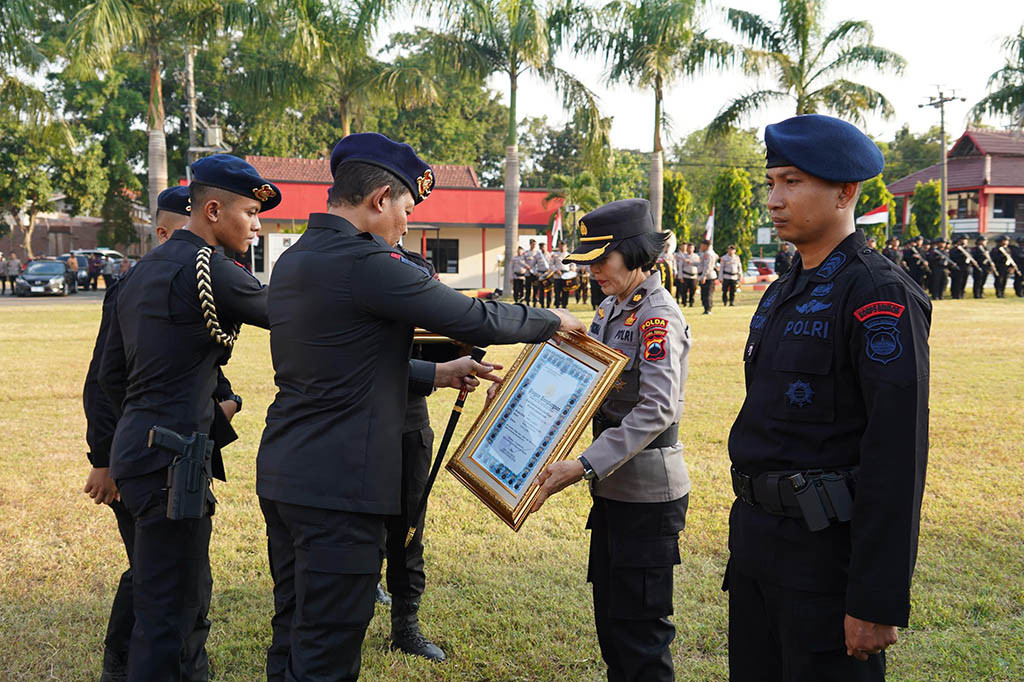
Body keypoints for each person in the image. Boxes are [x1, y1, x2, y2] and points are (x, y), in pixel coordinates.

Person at [255, 132, 584, 682]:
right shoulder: (369, 263)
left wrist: (437, 372)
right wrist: (555, 321)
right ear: (380, 199)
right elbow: (472, 318)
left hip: (287, 474)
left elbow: (342, 362)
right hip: (341, 489)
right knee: (328, 648)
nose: (407, 224)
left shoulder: (295, 260)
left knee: (291, 627)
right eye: (406, 209)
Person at [727, 114, 930, 682]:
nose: (774, 199)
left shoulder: (879, 295)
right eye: (772, 183)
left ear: (845, 192)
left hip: (826, 565)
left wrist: (875, 599)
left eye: (792, 182)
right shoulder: (782, 292)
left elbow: (897, 456)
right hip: (759, 549)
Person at [98, 156, 280, 682]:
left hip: (136, 456)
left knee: (163, 599)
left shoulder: (136, 275)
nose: (257, 224)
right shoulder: (211, 270)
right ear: (215, 210)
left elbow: (110, 377)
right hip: (174, 464)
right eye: (250, 212)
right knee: (172, 618)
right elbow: (295, 319)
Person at [83, 186, 242, 682]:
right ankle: (140, 665)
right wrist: (102, 458)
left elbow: (206, 375)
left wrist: (222, 406)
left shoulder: (174, 285)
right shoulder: (158, 279)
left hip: (155, 454)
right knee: (165, 592)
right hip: (157, 461)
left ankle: (158, 666)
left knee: (166, 580)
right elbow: (102, 383)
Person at [532, 198, 691, 682]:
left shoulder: (657, 317)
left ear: (635, 252)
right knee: (612, 624)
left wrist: (581, 465)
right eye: (589, 261)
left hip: (645, 493)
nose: (594, 270)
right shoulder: (610, 307)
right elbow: (586, 382)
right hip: (613, 491)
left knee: (640, 633)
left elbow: (658, 408)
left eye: (602, 260)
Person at [948, 235, 975, 300]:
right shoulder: (955, 249)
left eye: (965, 240)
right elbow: (952, 256)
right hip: (958, 267)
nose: (964, 241)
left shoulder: (968, 249)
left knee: (964, 281)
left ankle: (962, 294)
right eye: (962, 239)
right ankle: (956, 295)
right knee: (957, 282)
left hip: (966, 267)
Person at [697, 238, 718, 314]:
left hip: (708, 277)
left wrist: (704, 276)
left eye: (702, 245)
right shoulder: (706, 253)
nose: (701, 247)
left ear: (706, 246)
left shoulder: (708, 254)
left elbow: (708, 266)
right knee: (704, 294)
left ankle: (708, 309)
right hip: (704, 276)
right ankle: (706, 308)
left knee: (707, 293)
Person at [677, 242, 699, 307]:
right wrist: (680, 276)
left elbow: (699, 265)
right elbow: (680, 267)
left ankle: (691, 302)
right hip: (685, 275)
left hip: (694, 276)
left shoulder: (696, 256)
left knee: (693, 290)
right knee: (684, 290)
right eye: (689, 248)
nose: (690, 249)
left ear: (694, 248)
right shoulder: (683, 256)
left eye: (691, 248)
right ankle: (684, 303)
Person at [524, 239, 540, 305]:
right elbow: (522, 261)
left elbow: (540, 262)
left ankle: (534, 301)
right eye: (532, 244)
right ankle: (527, 301)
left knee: (535, 288)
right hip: (528, 273)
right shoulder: (526, 253)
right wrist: (526, 266)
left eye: (534, 244)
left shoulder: (538, 253)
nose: (533, 245)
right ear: (530, 244)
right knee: (528, 288)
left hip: (535, 273)